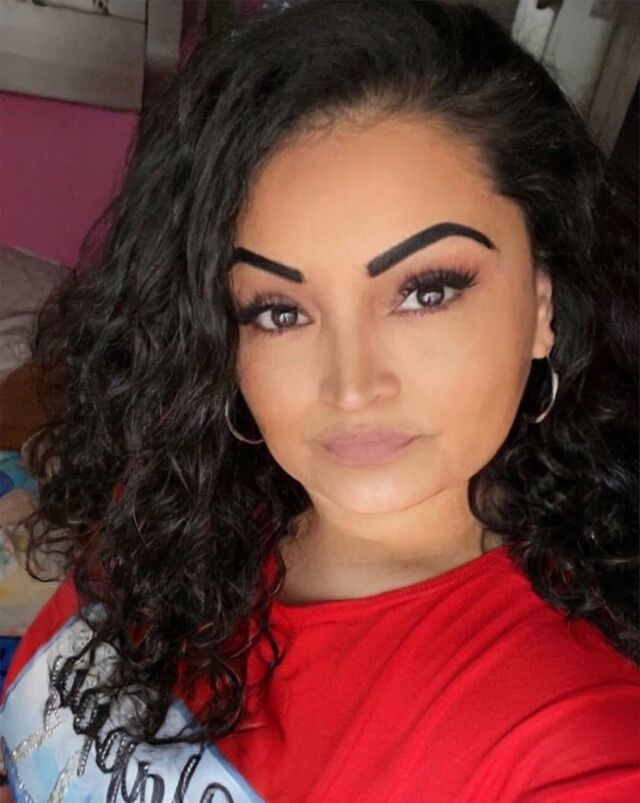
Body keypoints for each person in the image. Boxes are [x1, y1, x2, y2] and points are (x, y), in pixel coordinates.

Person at [1, 1, 638, 800]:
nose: (353, 384)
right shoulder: (176, 501)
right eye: (280, 311)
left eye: (427, 291)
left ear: (543, 302)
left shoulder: (574, 744)